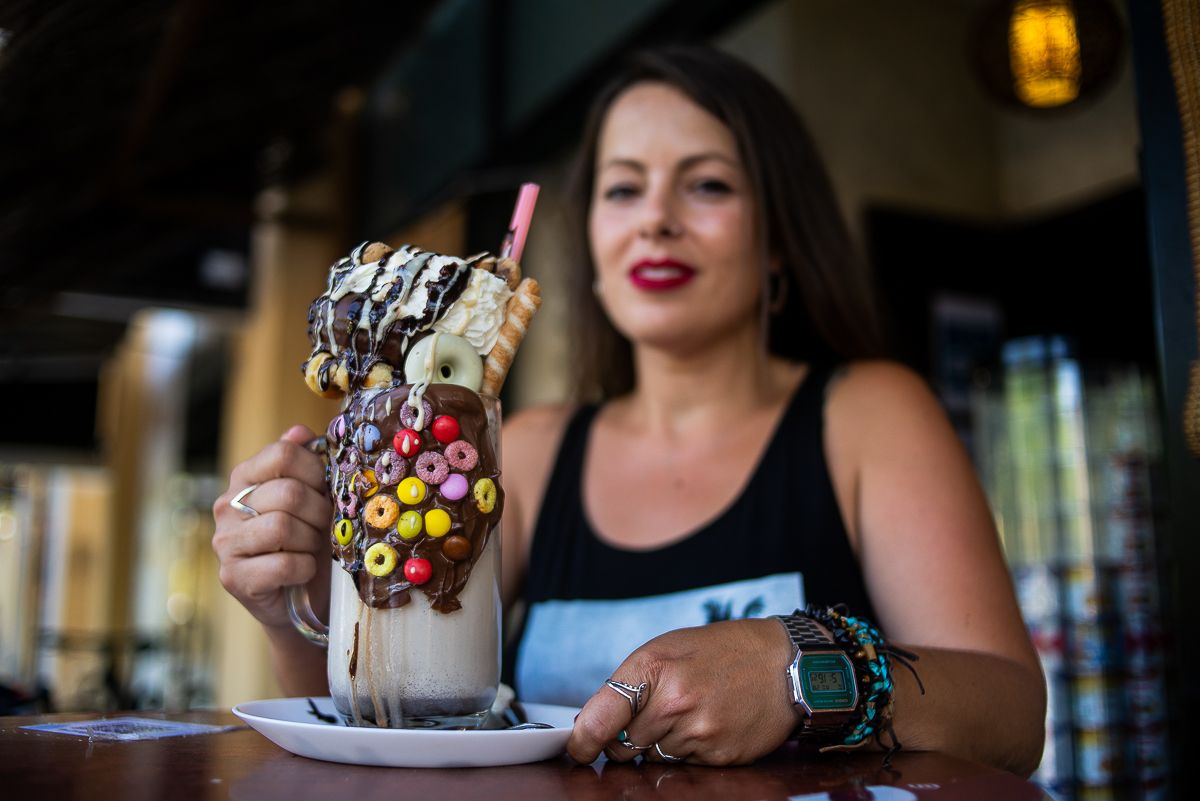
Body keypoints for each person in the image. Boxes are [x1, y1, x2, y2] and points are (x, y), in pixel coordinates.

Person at [212, 45, 1045, 774]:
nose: (656, 220)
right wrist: (295, 605)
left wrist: (794, 668)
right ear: (596, 252)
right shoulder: (520, 452)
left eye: (707, 184)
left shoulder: (867, 416)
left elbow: (1012, 714)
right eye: (623, 190)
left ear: (780, 236)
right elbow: (396, 708)